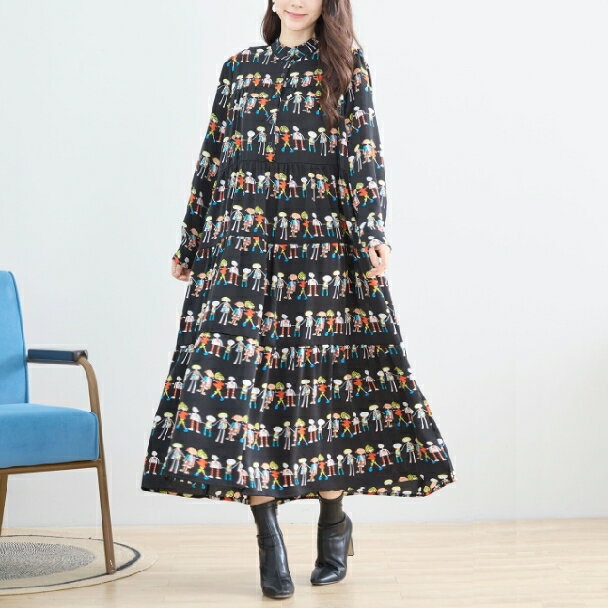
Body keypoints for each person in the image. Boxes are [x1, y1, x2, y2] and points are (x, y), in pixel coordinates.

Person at [141, 0, 456, 599]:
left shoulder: (346, 66)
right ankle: (269, 539)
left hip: (318, 248)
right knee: (243, 396)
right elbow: (212, 158)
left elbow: (364, 153)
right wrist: (191, 238)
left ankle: (333, 521)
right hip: (238, 251)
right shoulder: (238, 68)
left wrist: (372, 231)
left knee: (320, 390)